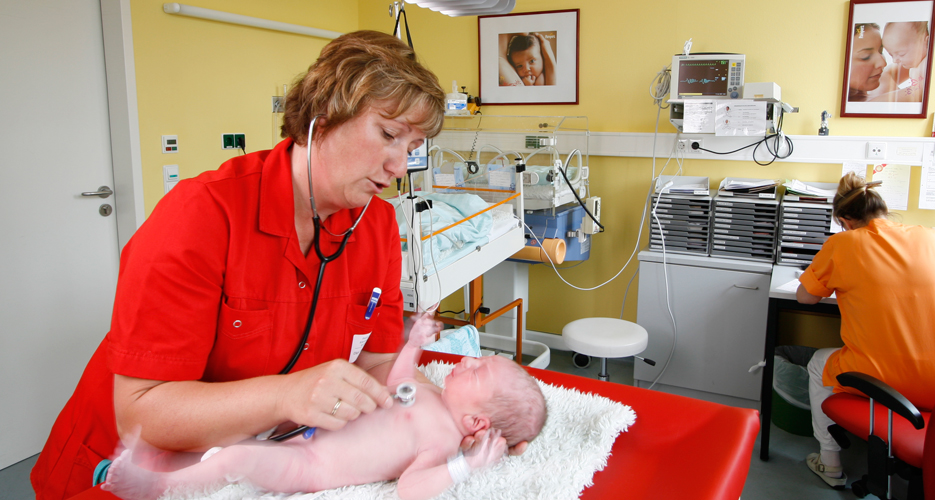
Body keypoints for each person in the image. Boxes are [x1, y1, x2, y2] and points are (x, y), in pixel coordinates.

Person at [31, 30, 523, 500]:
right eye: (389, 134)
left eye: (412, 148)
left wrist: (456, 427)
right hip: (121, 470)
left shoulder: (373, 227)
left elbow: (375, 362)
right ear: (324, 117)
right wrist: (287, 396)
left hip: (244, 466)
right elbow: (143, 410)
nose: (399, 167)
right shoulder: (200, 216)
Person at [101, 312, 548, 500]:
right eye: (479, 358)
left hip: (312, 466)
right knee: (227, 441)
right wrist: (412, 342)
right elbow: (396, 379)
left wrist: (467, 467)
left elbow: (410, 489)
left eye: (477, 371)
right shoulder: (432, 394)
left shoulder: (443, 438)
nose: (466, 360)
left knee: (237, 458)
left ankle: (158, 488)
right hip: (303, 428)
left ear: (475, 420)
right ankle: (151, 466)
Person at [796, 172, 935, 488]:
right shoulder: (930, 238)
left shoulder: (842, 243)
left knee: (816, 364)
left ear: (844, 220)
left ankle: (830, 462)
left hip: (883, 379)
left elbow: (805, 298)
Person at [881, 21, 930, 90]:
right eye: (891, 55)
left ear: (927, 43)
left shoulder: (925, 65)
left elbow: (916, 93)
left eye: (901, 54)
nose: (895, 60)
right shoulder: (915, 66)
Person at [846, 23, 888, 102]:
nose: (883, 63)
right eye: (866, 56)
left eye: (881, 51)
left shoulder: (883, 78)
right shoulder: (871, 104)